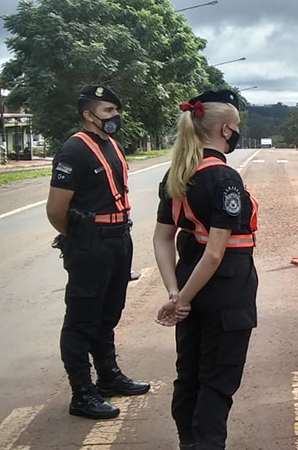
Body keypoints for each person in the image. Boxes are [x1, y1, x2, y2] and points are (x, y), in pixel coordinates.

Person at [153, 89, 259, 450]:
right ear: (225, 130)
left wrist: (175, 294)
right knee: (217, 383)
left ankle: (189, 443)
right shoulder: (223, 178)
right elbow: (215, 254)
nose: (237, 133)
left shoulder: (177, 173)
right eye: (237, 127)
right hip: (225, 292)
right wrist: (181, 299)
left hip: (189, 286)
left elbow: (162, 239)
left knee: (190, 376)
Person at [46, 85, 150, 420]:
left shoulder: (112, 146)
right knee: (81, 320)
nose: (114, 118)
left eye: (115, 111)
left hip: (119, 238)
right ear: (88, 115)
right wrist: (82, 237)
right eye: (107, 112)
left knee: (109, 314)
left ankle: (107, 377)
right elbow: (56, 209)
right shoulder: (74, 150)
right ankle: (82, 393)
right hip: (91, 242)